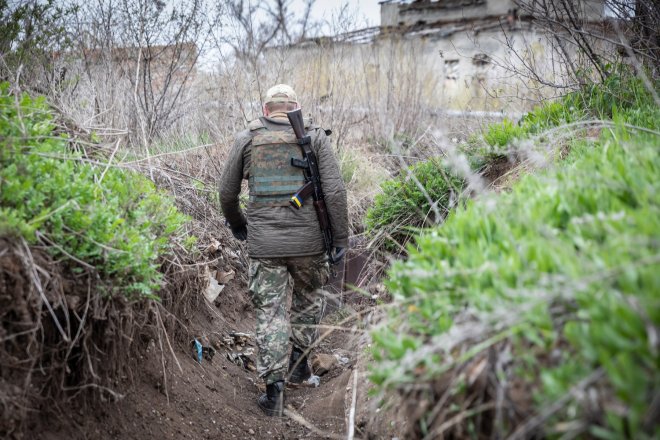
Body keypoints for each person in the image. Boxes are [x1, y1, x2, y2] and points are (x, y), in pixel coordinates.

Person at [219, 84, 348, 417]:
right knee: (307, 301)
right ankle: (300, 366)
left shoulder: (247, 138)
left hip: (265, 246)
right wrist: (340, 240)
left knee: (271, 313)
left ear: (265, 110)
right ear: (296, 107)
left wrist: (238, 224)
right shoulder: (316, 138)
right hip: (309, 244)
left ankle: (274, 391)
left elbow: (226, 193)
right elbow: (335, 192)